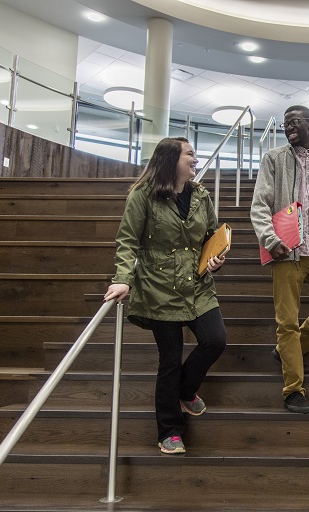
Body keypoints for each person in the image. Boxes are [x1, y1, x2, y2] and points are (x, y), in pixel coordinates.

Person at [104, 137, 227, 455]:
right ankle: (169, 431)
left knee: (215, 340)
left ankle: (186, 393)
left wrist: (216, 256)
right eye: (190, 154)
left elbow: (212, 235)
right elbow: (128, 240)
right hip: (158, 288)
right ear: (170, 159)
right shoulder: (143, 194)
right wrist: (122, 280)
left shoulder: (201, 195)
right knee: (170, 361)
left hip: (197, 284)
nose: (196, 160)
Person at [250, 105, 309, 414]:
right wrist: (270, 239)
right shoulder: (273, 159)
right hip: (286, 252)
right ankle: (293, 390)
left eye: (294, 122)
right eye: (285, 124)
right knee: (287, 322)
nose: (288, 127)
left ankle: (288, 350)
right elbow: (260, 205)